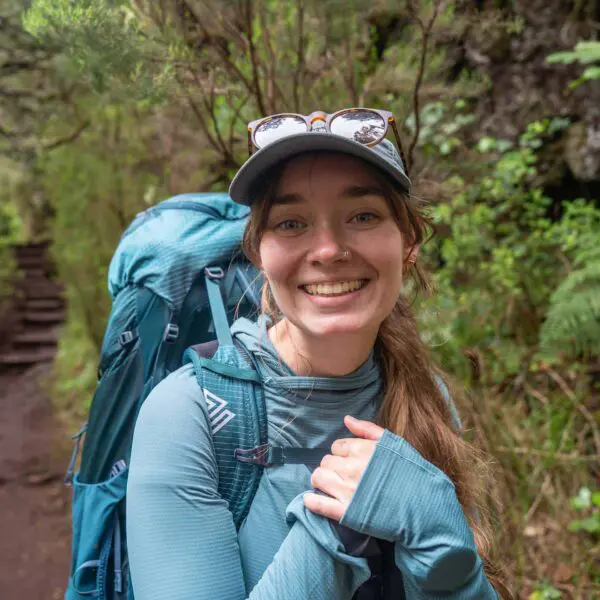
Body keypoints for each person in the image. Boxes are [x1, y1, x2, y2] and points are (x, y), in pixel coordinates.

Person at [126, 108, 511, 599]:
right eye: (291, 223)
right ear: (258, 254)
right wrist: (335, 525)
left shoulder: (427, 396)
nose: (328, 250)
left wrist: (442, 547)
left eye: (363, 215)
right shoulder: (188, 415)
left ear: (409, 242)